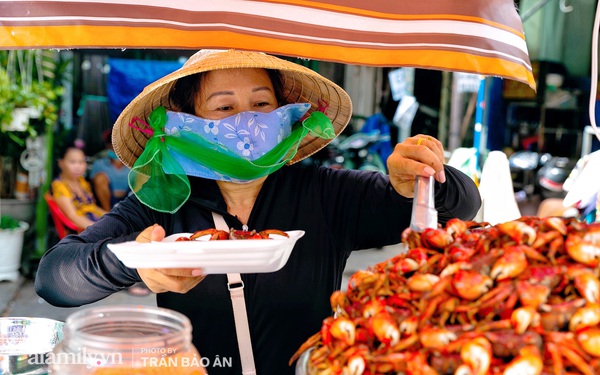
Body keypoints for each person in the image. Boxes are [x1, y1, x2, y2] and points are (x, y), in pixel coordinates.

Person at [36, 49, 481, 374]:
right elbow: (55, 279)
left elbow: (461, 207)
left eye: (262, 104)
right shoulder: (163, 203)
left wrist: (418, 176)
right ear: (189, 122)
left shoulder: (329, 193)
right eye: (224, 107)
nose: (245, 120)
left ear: (287, 114)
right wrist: (136, 259)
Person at [50, 146, 107, 230]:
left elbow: (92, 207)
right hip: (82, 230)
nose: (77, 166)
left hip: (94, 222)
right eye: (72, 162)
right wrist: (99, 229)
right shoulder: (59, 185)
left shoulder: (81, 181)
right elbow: (73, 216)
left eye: (81, 162)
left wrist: (111, 217)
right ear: (61, 163)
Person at [90, 129, 131, 211]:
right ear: (108, 146)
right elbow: (93, 185)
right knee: (100, 178)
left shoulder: (133, 163)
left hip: (129, 199)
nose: (115, 149)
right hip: (107, 202)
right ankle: (108, 215)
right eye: (112, 146)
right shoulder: (99, 164)